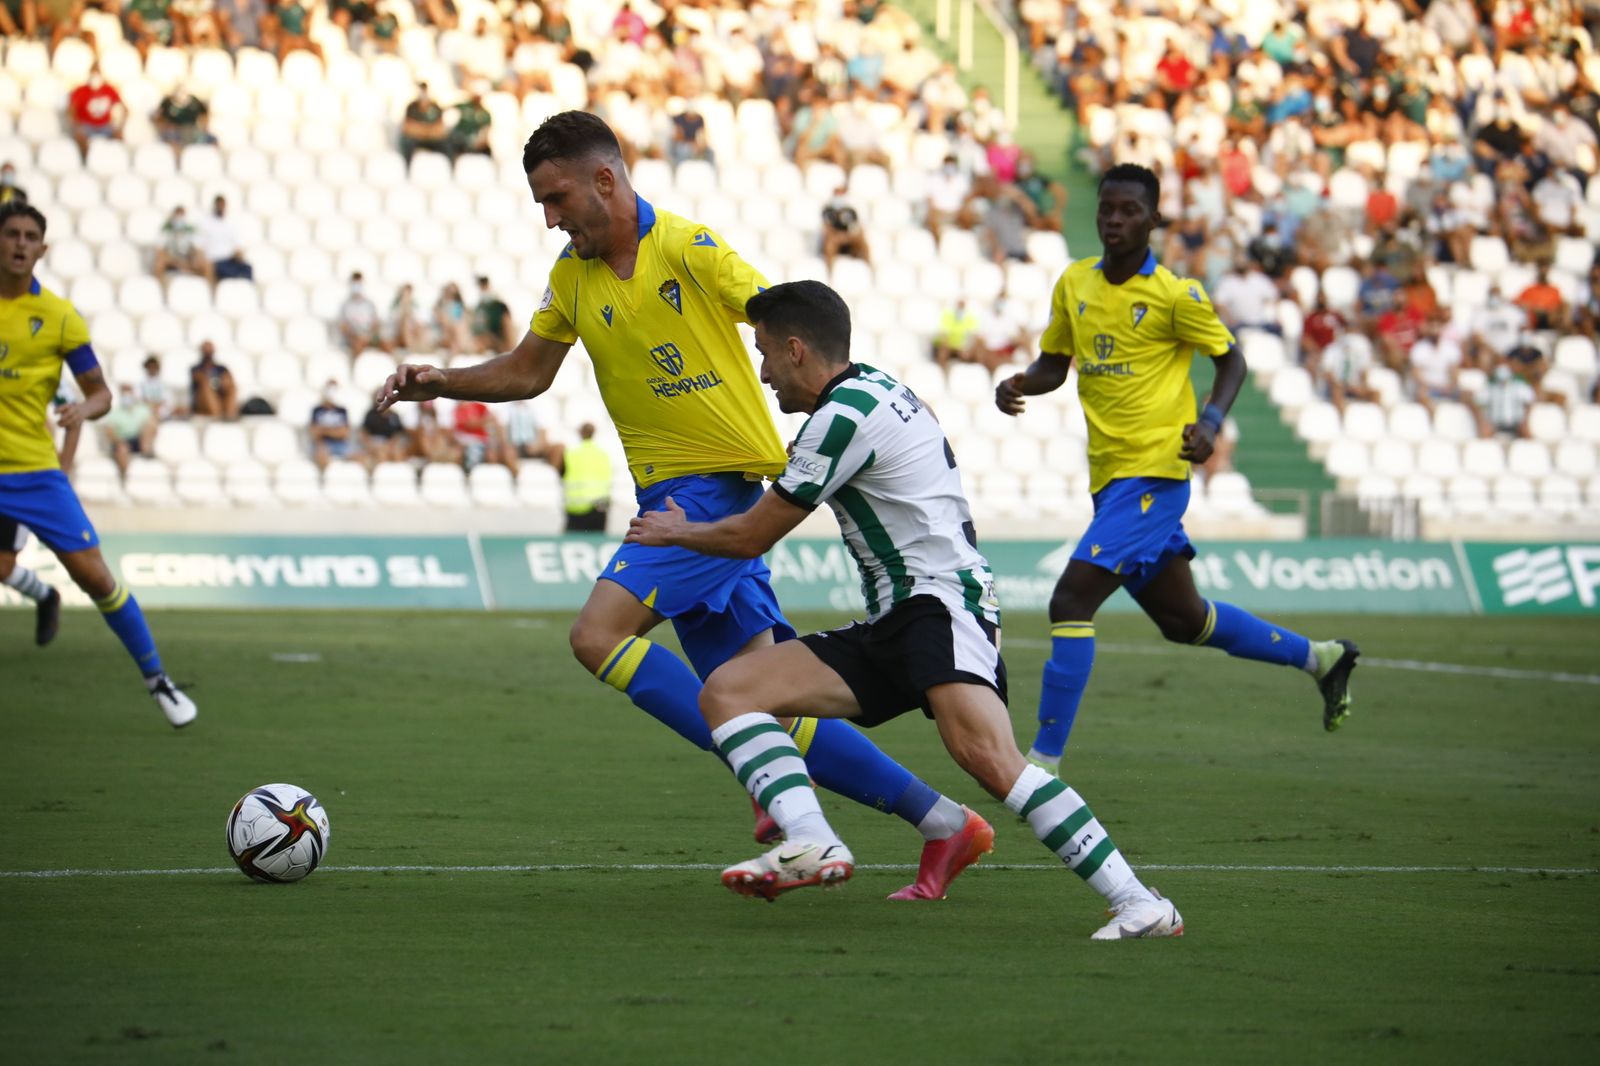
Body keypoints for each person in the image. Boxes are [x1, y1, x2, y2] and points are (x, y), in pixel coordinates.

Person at [378, 112, 983, 895]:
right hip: (667, 497)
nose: (550, 219)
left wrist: (863, 400)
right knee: (771, 702)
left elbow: (792, 327)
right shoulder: (572, 277)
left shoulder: (689, 249)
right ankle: (943, 822)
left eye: (557, 198)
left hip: (713, 492)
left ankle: (794, 816)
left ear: (605, 180)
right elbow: (528, 371)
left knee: (598, 636)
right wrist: (442, 381)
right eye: (541, 203)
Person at [627, 281, 1181, 937]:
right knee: (730, 691)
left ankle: (1139, 902)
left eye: (766, 354)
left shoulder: (840, 418)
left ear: (796, 349)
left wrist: (676, 531)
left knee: (991, 759)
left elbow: (752, 536)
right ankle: (811, 840)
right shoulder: (877, 390)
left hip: (939, 605)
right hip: (901, 615)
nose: (764, 372)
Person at [993, 164, 1360, 773]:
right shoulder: (1074, 282)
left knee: (1071, 600)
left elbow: (1231, 361)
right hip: (1110, 480)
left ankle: (1043, 762)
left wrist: (1210, 422)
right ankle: (1322, 658)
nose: (1114, 219)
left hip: (1156, 476)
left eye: (1129, 210)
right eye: (1107, 208)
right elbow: (1054, 364)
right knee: (1185, 620)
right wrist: (1020, 383)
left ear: (1154, 220)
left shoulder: (1175, 295)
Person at [0, 203, 196, 726]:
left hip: (34, 474)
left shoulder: (59, 317)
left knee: (95, 578)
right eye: (11, 234)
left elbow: (102, 393)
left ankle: (158, 680)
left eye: (30, 237)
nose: (20, 244)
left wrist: (83, 410)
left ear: (42, 249)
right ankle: (43, 597)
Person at [67, 63, 125, 161]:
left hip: (105, 125)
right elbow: (71, 109)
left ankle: (113, 160)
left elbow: (124, 108)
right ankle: (85, 161)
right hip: (87, 125)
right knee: (79, 136)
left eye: (97, 73)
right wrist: (77, 125)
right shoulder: (80, 90)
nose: (95, 77)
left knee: (119, 137)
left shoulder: (109, 89)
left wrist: (119, 127)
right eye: (93, 73)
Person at [561, 421, 610, 532]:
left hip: (577, 506)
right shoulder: (603, 454)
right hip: (599, 506)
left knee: (574, 540)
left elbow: (563, 472)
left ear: (580, 433)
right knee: (596, 539)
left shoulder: (571, 453)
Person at [102, 383, 158, 476]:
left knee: (149, 426)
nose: (127, 396)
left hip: (139, 440)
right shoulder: (114, 412)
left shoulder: (143, 409)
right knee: (122, 449)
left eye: (129, 392)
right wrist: (119, 441)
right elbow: (109, 431)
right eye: (124, 393)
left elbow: (153, 425)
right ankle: (125, 477)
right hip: (122, 441)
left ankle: (146, 457)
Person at [196, 195, 252, 283]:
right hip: (216, 261)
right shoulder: (206, 223)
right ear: (215, 205)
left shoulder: (230, 223)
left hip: (229, 260)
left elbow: (237, 247)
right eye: (219, 205)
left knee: (247, 268)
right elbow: (200, 246)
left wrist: (239, 256)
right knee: (229, 273)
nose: (221, 207)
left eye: (223, 205)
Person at [152, 205, 212, 284]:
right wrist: (177, 263)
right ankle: (159, 287)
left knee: (207, 265)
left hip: (188, 260)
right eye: (177, 215)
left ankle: (206, 287)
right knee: (159, 263)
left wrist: (194, 260)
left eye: (181, 215)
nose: (179, 218)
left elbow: (198, 250)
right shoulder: (167, 229)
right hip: (171, 262)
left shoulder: (190, 230)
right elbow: (159, 250)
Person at [309, 381, 359, 469]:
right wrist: (335, 431)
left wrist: (324, 430)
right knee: (321, 455)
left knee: (358, 457)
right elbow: (314, 433)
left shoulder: (342, 410)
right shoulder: (317, 410)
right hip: (322, 444)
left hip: (340, 444)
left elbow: (344, 433)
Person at [820, 185, 871, 268]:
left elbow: (857, 227)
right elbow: (826, 229)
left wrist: (847, 237)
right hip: (835, 239)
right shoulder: (828, 210)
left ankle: (869, 267)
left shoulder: (851, 210)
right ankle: (829, 270)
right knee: (830, 243)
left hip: (849, 239)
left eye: (842, 193)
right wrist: (839, 237)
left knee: (863, 242)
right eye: (837, 193)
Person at [337, 272, 384, 355]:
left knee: (386, 343)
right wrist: (354, 336)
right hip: (352, 338)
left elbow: (376, 324)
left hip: (368, 336)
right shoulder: (345, 305)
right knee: (358, 343)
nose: (357, 286)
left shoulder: (369, 304)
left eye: (359, 283)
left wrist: (369, 335)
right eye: (354, 283)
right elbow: (342, 327)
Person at [189, 340, 239, 420]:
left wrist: (223, 382)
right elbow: (199, 380)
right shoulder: (196, 369)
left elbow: (227, 381)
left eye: (210, 348)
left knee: (231, 386)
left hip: (220, 396)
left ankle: (230, 414)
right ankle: (217, 415)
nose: (208, 351)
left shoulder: (221, 368)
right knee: (205, 385)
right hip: (203, 402)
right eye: (205, 348)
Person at [399, 84, 449, 162]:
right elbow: (407, 127)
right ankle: (406, 165)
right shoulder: (412, 107)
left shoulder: (435, 107)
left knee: (447, 144)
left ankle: (450, 165)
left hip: (432, 139)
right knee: (406, 142)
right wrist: (427, 129)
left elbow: (440, 129)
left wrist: (420, 128)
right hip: (416, 139)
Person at [470, 275, 515, 353]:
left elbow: (510, 338)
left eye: (484, 285)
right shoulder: (479, 308)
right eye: (480, 286)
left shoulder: (499, 307)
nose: (482, 289)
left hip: (500, 348)